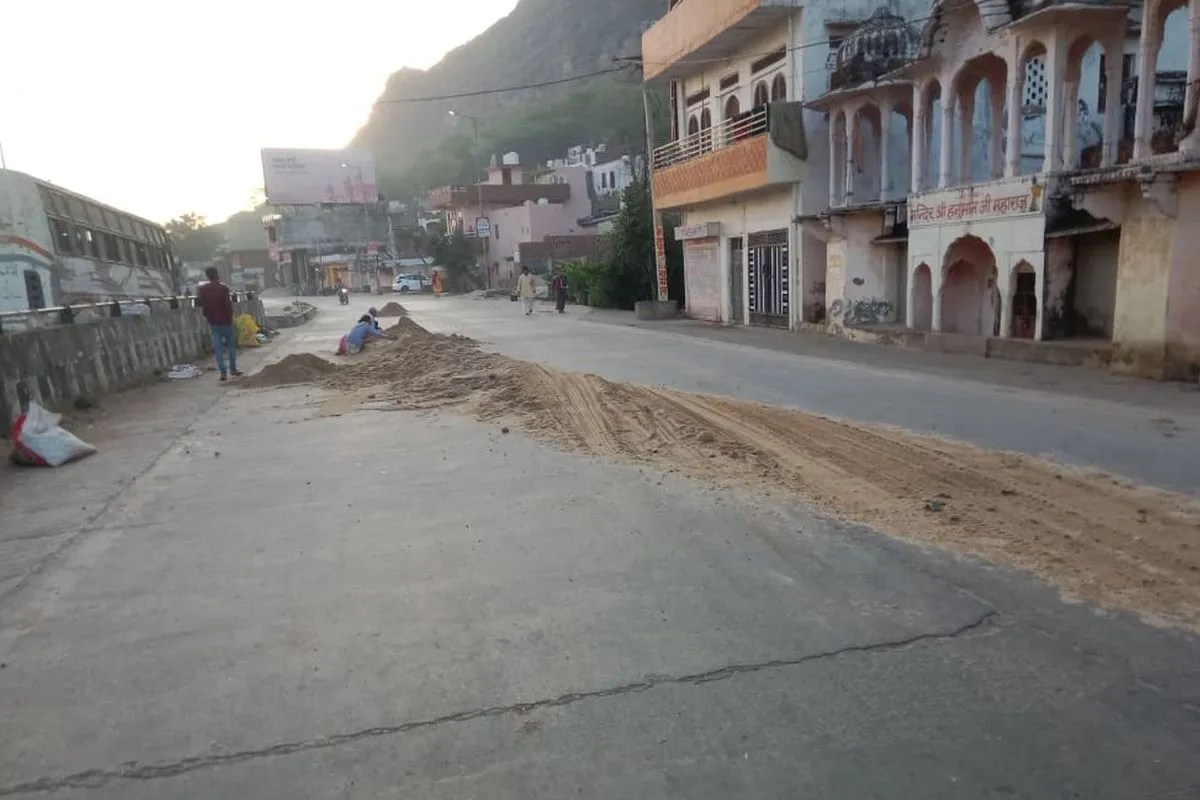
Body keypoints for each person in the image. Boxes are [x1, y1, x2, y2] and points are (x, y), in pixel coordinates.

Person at [196, 267, 242, 381]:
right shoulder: (223, 288)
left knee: (218, 348)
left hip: (213, 322)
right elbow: (227, 305)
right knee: (231, 346)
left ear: (207, 276)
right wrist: (231, 317)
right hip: (226, 321)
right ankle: (233, 369)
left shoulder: (202, 289)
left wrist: (208, 316)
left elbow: (201, 304)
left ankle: (223, 373)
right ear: (217, 275)